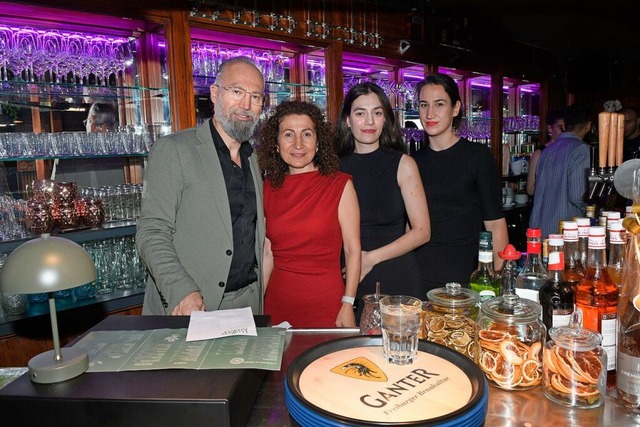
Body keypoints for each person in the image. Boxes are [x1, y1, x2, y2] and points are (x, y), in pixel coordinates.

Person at [136, 56, 266, 315]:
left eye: (256, 96)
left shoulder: (253, 158)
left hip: (249, 303)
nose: (246, 105)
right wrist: (181, 290)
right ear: (215, 94)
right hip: (194, 305)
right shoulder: (174, 150)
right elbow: (151, 231)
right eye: (237, 91)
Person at [257, 100, 361, 328]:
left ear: (318, 141)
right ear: (276, 143)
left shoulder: (340, 184)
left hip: (328, 304)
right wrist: (256, 307)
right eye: (288, 135)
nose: (298, 144)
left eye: (306, 134)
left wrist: (348, 303)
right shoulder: (266, 188)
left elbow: (352, 250)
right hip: (278, 304)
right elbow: (267, 253)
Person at [337, 82, 430, 320]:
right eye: (360, 113)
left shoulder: (403, 164)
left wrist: (369, 258)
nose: (369, 121)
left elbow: (422, 231)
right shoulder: (334, 168)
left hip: (395, 274)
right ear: (348, 120)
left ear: (385, 120)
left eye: (377, 113)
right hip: (346, 279)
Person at [412, 73, 508, 291]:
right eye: (423, 105)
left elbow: (494, 223)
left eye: (439, 104)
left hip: (464, 276)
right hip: (419, 274)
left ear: (455, 108)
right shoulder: (412, 162)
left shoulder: (477, 156)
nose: (430, 113)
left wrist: (500, 280)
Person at [530, 103, 591, 238]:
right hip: (564, 231)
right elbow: (577, 195)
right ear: (588, 126)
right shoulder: (581, 150)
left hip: (539, 227)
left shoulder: (547, 150)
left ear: (564, 125)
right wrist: (593, 209)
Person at [54, 102, 124, 187]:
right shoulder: (128, 154)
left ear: (92, 122)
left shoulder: (67, 157)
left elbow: (57, 193)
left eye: (87, 121)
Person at [526, 108, 565, 196]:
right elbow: (530, 190)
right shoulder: (539, 153)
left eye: (565, 128)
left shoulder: (568, 151)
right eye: (560, 128)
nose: (563, 132)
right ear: (550, 129)